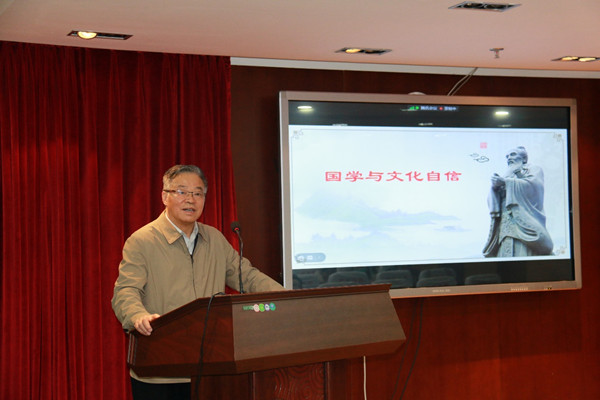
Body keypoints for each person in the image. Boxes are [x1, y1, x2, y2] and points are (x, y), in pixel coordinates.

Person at [111, 164, 284, 400]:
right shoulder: (142, 241)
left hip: (210, 367)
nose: (190, 199)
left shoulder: (214, 238)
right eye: (181, 191)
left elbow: (248, 276)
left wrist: (286, 297)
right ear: (165, 196)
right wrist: (137, 316)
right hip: (161, 368)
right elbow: (125, 290)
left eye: (198, 193)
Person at [482, 146, 553, 257]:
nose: (509, 158)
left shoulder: (533, 169)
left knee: (524, 254)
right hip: (505, 225)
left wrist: (506, 182)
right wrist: (494, 188)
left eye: (513, 154)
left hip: (524, 222)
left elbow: (534, 187)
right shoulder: (507, 174)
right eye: (507, 156)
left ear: (524, 158)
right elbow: (494, 202)